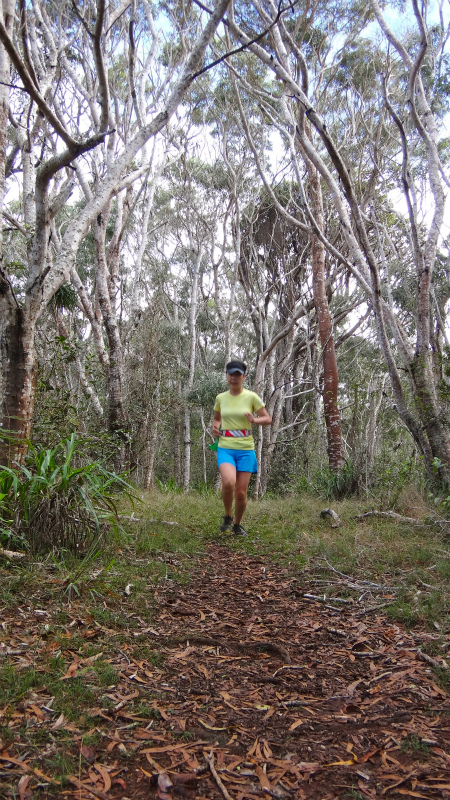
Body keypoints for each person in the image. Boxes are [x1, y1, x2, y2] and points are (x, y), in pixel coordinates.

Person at [212, 360, 272, 535]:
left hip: (246, 449)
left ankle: (237, 524)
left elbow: (267, 419)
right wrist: (215, 427)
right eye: (231, 374)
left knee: (240, 493)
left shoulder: (251, 397)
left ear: (244, 377)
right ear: (226, 376)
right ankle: (228, 516)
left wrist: (254, 420)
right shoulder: (221, 398)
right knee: (228, 482)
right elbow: (217, 418)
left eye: (238, 375)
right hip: (225, 447)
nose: (233, 378)